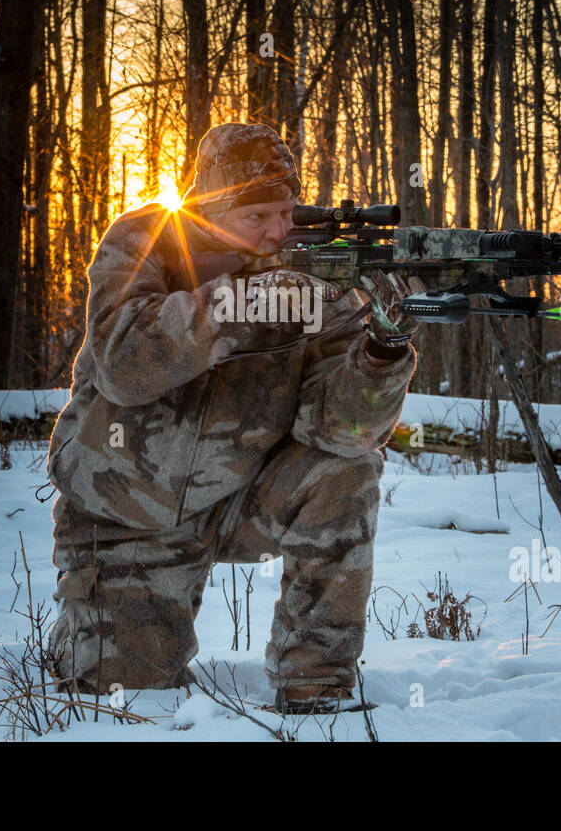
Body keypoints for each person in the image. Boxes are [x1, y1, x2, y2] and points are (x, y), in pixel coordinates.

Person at [44, 122, 421, 714]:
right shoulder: (145, 238)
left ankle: (316, 688)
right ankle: (84, 625)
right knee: (127, 699)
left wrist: (383, 348)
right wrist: (244, 305)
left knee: (349, 471)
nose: (278, 232)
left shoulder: (318, 283)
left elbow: (341, 431)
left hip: (239, 498)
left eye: (288, 213)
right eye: (257, 217)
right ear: (209, 211)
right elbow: (123, 361)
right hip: (126, 512)